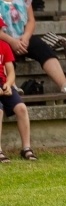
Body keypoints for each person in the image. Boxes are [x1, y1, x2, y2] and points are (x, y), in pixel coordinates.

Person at [0, 0, 66, 92]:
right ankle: (10, 87)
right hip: (3, 38)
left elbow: (31, 20)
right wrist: (12, 41)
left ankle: (64, 85)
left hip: (22, 37)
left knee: (40, 46)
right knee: (3, 49)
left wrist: (25, 38)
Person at [0, 16, 36, 162]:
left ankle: (26, 148)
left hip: (3, 83)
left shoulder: (4, 46)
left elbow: (11, 71)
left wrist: (8, 84)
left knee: (21, 108)